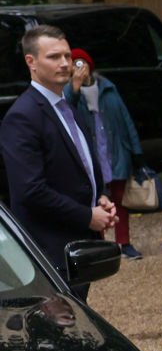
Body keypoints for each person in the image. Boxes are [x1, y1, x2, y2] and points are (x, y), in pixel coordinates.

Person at [0, 26, 118, 298]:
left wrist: (99, 196)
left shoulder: (68, 108)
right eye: (54, 57)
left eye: (67, 55)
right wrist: (87, 216)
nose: (65, 63)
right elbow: (30, 190)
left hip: (74, 247)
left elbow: (80, 166)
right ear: (31, 62)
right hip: (47, 252)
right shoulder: (23, 117)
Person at [68, 49, 148, 261]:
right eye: (75, 64)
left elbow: (126, 119)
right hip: (91, 155)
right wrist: (74, 88)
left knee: (120, 199)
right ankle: (100, 245)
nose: (80, 68)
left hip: (114, 150)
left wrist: (137, 153)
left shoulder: (108, 88)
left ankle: (124, 242)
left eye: (82, 63)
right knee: (95, 201)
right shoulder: (68, 92)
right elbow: (66, 115)